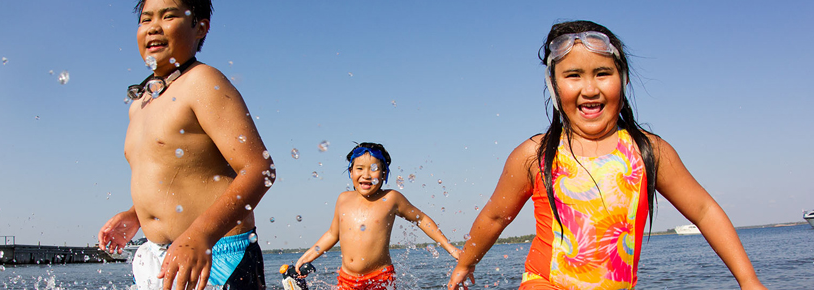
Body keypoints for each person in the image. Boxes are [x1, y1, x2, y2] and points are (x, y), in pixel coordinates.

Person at [446, 20, 766, 290]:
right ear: (554, 86)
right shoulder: (535, 155)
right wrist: (465, 263)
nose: (589, 89)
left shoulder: (649, 152)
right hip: (544, 282)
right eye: (573, 75)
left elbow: (703, 210)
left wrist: (749, 281)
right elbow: (495, 216)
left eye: (602, 73)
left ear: (623, 78)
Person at [97, 0, 275, 289]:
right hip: (160, 256)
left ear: (200, 27)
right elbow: (176, 173)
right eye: (145, 19)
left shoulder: (202, 82)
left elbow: (259, 169)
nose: (154, 27)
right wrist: (135, 214)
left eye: (168, 16)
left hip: (215, 251)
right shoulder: (139, 103)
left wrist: (201, 234)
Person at [295, 142, 460, 289]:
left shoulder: (391, 198)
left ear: (384, 174)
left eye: (374, 169)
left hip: (380, 279)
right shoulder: (343, 199)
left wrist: (451, 248)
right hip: (346, 280)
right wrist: (308, 256)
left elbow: (421, 219)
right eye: (359, 168)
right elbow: (332, 234)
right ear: (351, 172)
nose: (366, 175)